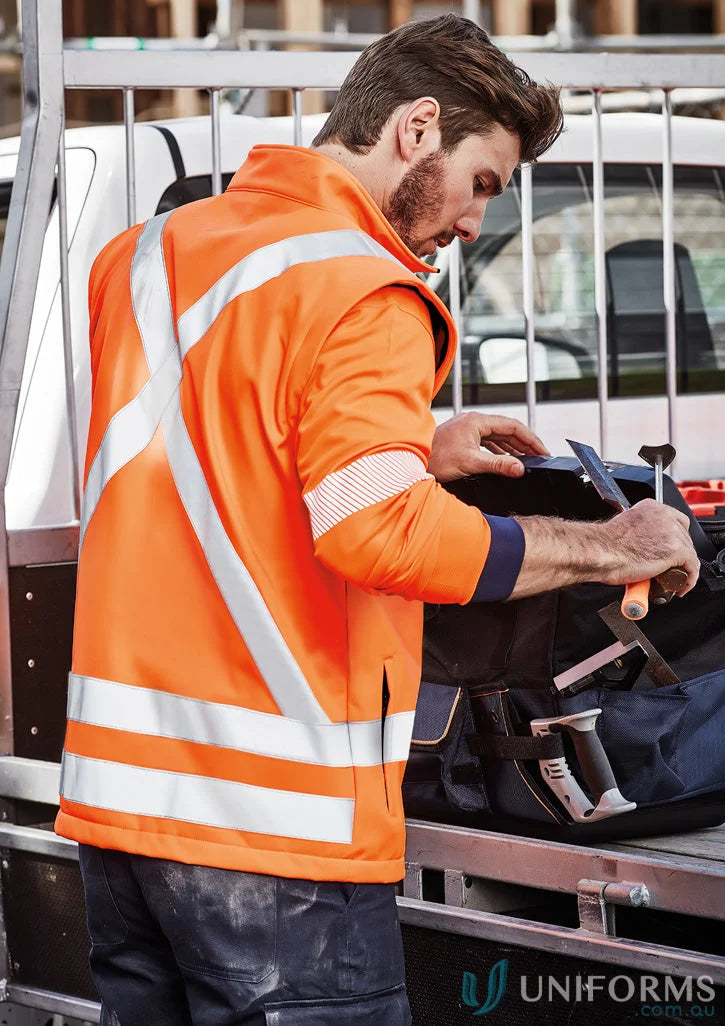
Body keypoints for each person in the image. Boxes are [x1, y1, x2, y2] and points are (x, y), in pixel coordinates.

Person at [55, 13, 699, 1026]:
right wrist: (609, 546)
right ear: (415, 128)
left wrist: (416, 447)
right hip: (274, 836)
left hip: (121, 806)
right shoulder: (362, 285)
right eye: (480, 182)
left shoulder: (145, 256)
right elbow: (382, 535)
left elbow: (208, 447)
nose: (473, 223)